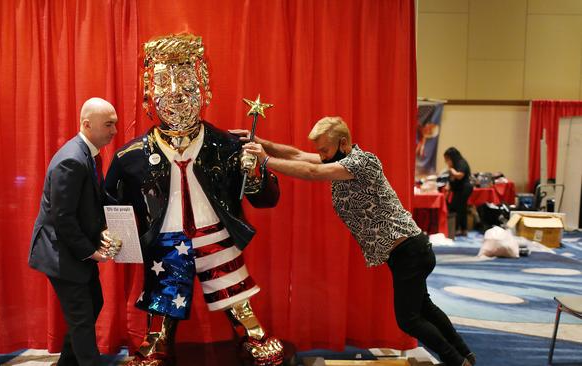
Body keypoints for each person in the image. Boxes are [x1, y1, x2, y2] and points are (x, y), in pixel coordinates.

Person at [104, 33, 284, 366]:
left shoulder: (226, 146)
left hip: (216, 235)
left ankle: (252, 332)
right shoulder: (131, 156)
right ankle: (155, 341)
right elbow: (113, 204)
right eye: (163, 81)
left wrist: (255, 174)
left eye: (185, 80)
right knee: (162, 295)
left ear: (203, 88)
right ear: (149, 94)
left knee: (234, 289)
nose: (175, 92)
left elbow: (264, 200)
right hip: (166, 240)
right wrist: (115, 238)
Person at [238, 116, 475, 366]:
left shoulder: (362, 162)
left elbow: (311, 171)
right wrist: (259, 142)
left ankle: (456, 361)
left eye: (325, 150)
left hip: (410, 251)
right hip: (405, 252)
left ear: (342, 143)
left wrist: (264, 159)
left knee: (409, 320)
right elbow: (297, 156)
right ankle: (465, 355)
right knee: (424, 308)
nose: (321, 155)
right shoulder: (337, 160)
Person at [28, 97, 119, 366]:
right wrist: (91, 252)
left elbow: (90, 205)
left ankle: (66, 363)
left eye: (115, 124)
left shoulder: (90, 155)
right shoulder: (72, 160)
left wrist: (105, 229)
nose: (114, 130)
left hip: (71, 249)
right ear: (87, 124)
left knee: (93, 304)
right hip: (61, 253)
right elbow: (63, 218)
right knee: (82, 317)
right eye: (109, 124)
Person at [443, 147, 473, 236]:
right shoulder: (454, 166)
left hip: (465, 188)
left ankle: (456, 229)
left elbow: (460, 176)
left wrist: (451, 170)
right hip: (458, 189)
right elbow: (451, 180)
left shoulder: (461, 163)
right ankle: (463, 229)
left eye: (447, 159)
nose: (446, 162)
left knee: (456, 208)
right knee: (461, 208)